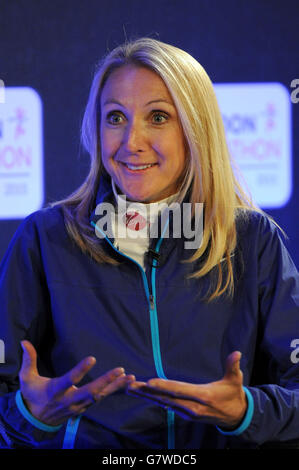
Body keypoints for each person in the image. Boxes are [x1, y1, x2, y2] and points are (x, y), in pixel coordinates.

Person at [0, 37, 299, 450]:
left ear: (196, 129)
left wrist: (246, 411)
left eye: (158, 117)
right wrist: (31, 415)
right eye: (115, 117)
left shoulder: (252, 240)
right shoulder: (43, 238)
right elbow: (6, 398)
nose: (131, 142)